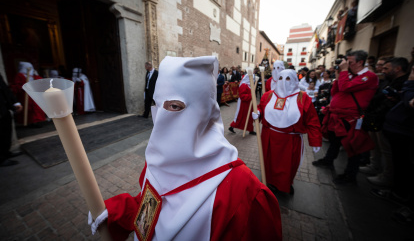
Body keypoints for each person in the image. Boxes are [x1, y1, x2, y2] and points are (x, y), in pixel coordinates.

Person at [89, 56, 282, 241]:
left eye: (174, 105)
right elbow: (151, 206)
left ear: (203, 110)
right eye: (158, 104)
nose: (163, 116)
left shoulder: (243, 191)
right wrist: (116, 211)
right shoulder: (157, 159)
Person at [312, 50, 379, 184]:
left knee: (352, 147)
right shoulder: (349, 75)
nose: (346, 64)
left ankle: (350, 175)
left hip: (351, 118)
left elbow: (345, 88)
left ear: (360, 62)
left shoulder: (368, 77)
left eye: (350, 62)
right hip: (337, 116)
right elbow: (335, 91)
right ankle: (328, 160)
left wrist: (343, 73)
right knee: (334, 140)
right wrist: (339, 75)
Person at [254, 69, 322, 195]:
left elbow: (312, 121)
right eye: (280, 78)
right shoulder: (268, 95)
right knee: (269, 162)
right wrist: (258, 113)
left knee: (287, 165)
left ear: (295, 80)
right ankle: (269, 182)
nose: (284, 82)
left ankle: (284, 184)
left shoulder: (303, 98)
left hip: (290, 140)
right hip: (269, 136)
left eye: (288, 78)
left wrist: (315, 140)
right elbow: (261, 108)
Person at [371, 65, 414, 225]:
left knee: (403, 165)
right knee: (397, 162)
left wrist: (409, 86)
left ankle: (400, 193)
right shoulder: (395, 83)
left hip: (403, 132)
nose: (411, 74)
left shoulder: (408, 84)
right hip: (392, 127)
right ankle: (395, 189)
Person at [361, 57, 409, 188]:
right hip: (378, 118)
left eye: (386, 68)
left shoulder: (403, 83)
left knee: (387, 152)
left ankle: (387, 177)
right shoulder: (388, 81)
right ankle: (374, 166)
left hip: (388, 122)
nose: (382, 70)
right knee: (376, 146)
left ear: (397, 68)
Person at [10, 61, 45, 126]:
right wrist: (23, 87)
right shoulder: (20, 76)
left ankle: (39, 120)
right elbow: (16, 86)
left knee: (38, 108)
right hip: (26, 95)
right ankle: (31, 122)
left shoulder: (34, 75)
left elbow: (40, 81)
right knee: (29, 109)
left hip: (35, 94)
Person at [0, 74, 23, 166]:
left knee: (6, 132)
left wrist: (14, 102)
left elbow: (5, 89)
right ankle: (0, 158)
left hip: (4, 108)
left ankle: (5, 152)